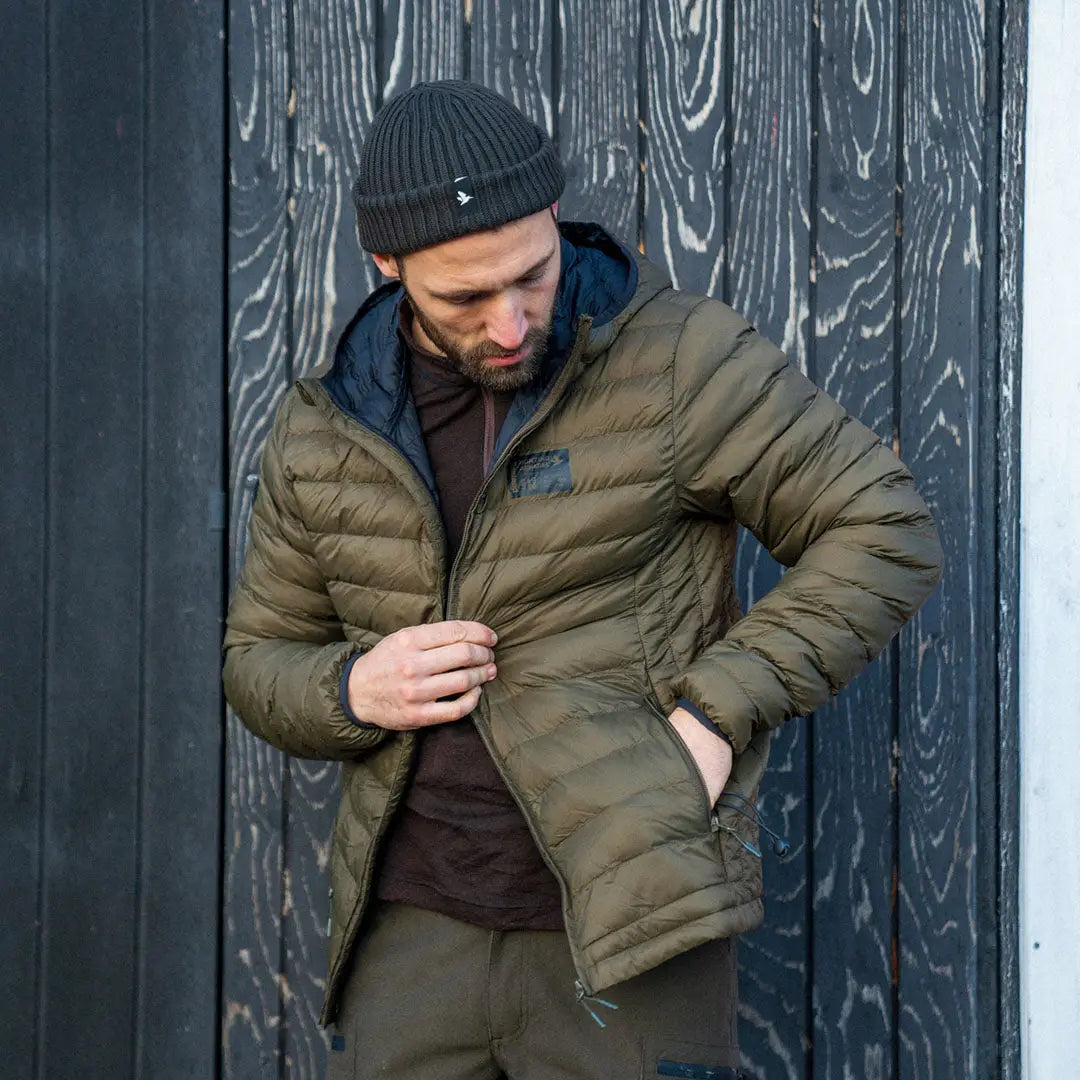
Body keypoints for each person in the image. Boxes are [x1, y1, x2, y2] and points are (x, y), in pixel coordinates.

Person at [223, 80, 943, 1080]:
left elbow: (885, 527)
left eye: (532, 274)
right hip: (408, 940)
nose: (512, 322)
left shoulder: (679, 360)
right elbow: (258, 661)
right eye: (465, 298)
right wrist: (352, 689)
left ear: (555, 216)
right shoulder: (324, 428)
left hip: (632, 931)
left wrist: (716, 712)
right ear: (384, 265)